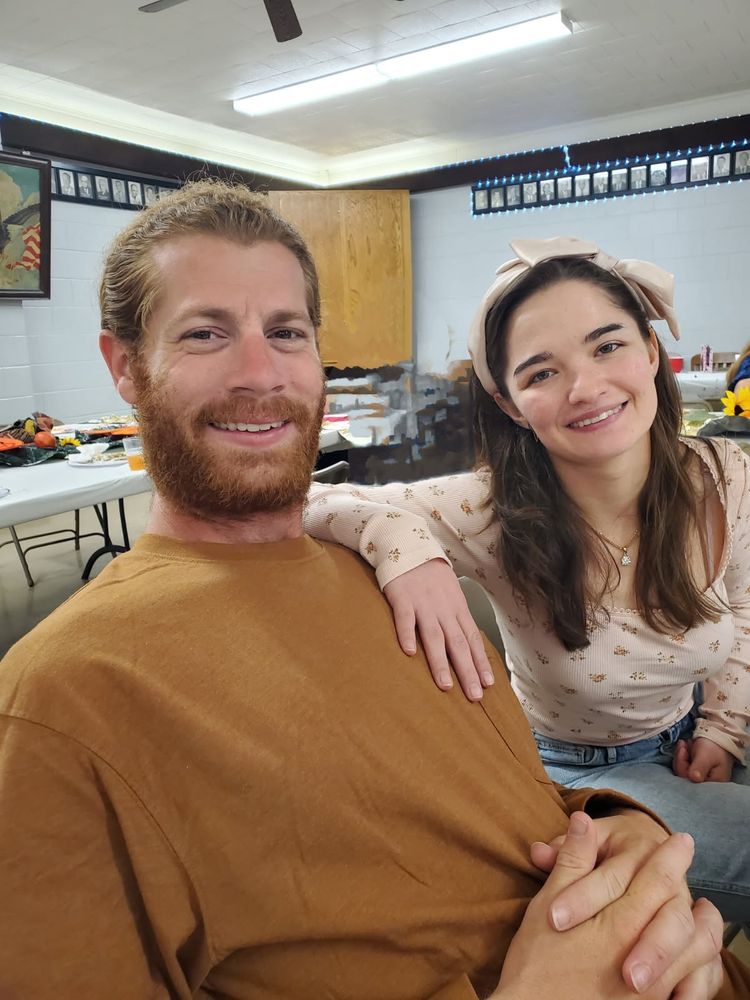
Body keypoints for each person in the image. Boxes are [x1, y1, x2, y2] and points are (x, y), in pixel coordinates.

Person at [0, 187, 741, 999]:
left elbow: (499, 797)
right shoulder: (62, 699)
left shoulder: (389, 579)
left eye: (286, 332)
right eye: (206, 334)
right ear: (124, 367)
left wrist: (618, 827)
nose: (261, 372)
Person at [304, 236, 750, 924]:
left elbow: (746, 611)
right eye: (542, 373)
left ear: (652, 353)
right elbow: (302, 501)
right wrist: (403, 542)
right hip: (577, 775)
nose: (587, 388)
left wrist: (723, 730)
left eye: (608, 346)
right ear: (510, 403)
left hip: (694, 739)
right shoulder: (490, 509)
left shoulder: (725, 476)